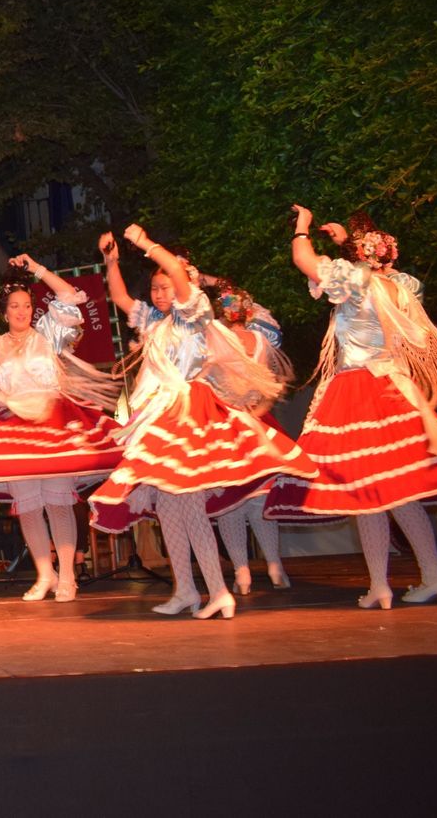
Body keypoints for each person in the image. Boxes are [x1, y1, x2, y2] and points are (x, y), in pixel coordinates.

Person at [91, 227, 311, 620]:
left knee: (187, 503)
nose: (160, 294)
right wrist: (111, 262)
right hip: (161, 414)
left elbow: (176, 270)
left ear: (181, 283)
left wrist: (145, 245)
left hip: (189, 410)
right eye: (155, 288)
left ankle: (218, 590)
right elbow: (121, 298)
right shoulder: (155, 322)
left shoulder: (195, 315)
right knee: (168, 506)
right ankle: (187, 589)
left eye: (165, 286)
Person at [265, 207, 437, 609]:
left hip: (359, 388)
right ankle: (431, 576)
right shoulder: (401, 288)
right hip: (396, 388)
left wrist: (302, 228)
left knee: (368, 493)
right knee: (397, 493)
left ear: (364, 255)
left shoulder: (357, 282)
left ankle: (381, 585)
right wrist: (347, 242)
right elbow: (369, 272)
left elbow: (303, 261)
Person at [0, 253, 123, 603]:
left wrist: (36, 269)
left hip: (53, 421)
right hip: (13, 425)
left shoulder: (48, 334)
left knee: (58, 501)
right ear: (4, 312)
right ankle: (44, 575)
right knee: (29, 504)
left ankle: (67, 576)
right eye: (14, 307)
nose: (21, 312)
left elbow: (69, 296)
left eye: (26, 306)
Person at [201, 277, 296, 593]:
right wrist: (256, 412)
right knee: (256, 497)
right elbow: (272, 385)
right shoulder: (258, 340)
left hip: (231, 422)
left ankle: (246, 571)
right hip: (252, 419)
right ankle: (271, 565)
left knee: (233, 501)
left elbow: (203, 382)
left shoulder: (217, 339)